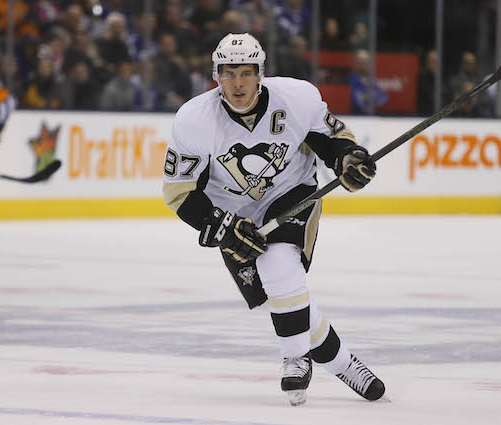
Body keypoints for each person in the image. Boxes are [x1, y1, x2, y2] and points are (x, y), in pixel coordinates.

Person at [163, 33, 385, 406]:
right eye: (229, 73)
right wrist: (221, 226)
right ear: (216, 75)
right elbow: (179, 192)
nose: (237, 83)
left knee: (279, 263)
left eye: (246, 73)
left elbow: (332, 138)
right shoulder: (194, 119)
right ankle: (344, 363)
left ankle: (295, 358)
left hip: (291, 192)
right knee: (282, 295)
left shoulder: (297, 98)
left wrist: (347, 158)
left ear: (260, 74)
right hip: (234, 213)